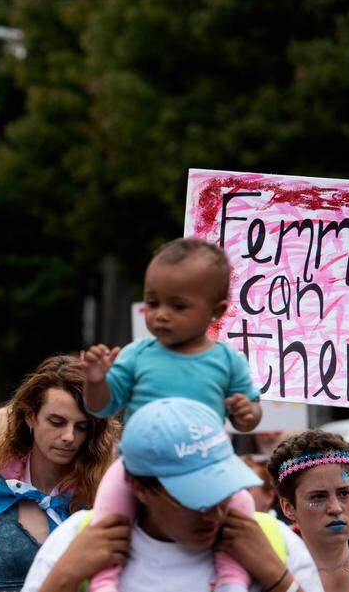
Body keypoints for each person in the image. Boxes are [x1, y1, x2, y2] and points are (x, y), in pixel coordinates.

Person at [81, 238, 265, 592]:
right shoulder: (137, 355)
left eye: (177, 306)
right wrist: (96, 382)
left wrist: (247, 412)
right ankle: (104, 582)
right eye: (152, 303)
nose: (161, 314)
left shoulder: (227, 360)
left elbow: (249, 417)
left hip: (205, 467)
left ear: (217, 310)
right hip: (139, 469)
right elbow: (101, 406)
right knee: (108, 514)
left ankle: (231, 579)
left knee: (241, 505)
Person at [21, 398, 322, 592]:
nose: (215, 512)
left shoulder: (276, 542)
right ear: (139, 487)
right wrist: (61, 580)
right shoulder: (76, 543)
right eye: (194, 498)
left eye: (222, 490)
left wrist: (279, 580)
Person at [0, 356, 118, 592]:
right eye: (56, 421)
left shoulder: (102, 492)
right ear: (30, 416)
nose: (69, 436)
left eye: (81, 426)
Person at [267, 430, 349, 592]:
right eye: (318, 497)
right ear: (288, 507)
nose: (336, 508)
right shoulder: (275, 577)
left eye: (344, 493)